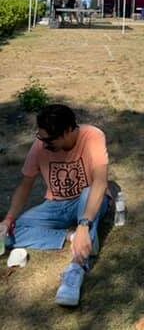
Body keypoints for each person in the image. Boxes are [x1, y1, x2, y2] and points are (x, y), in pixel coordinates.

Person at [2, 104, 110, 306]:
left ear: (68, 130)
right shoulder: (40, 145)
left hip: (88, 201)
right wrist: (7, 220)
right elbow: (25, 186)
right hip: (57, 204)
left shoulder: (92, 136)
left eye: (49, 140)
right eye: (41, 138)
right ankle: (73, 238)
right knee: (14, 230)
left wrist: (84, 223)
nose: (44, 144)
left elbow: (101, 182)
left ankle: (76, 268)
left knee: (89, 193)